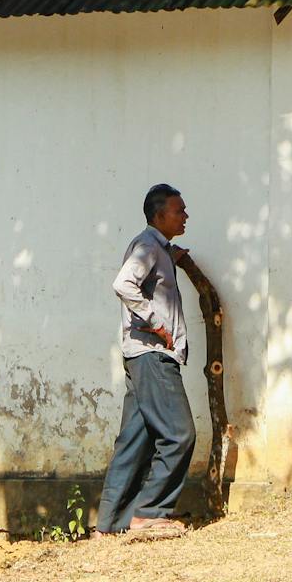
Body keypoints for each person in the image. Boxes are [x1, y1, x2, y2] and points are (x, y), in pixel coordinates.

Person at [94, 183, 196, 539]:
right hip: (153, 356)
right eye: (179, 210)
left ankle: (109, 523)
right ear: (158, 215)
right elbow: (124, 285)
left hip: (139, 356)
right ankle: (149, 512)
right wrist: (157, 323)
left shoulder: (158, 249)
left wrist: (175, 259)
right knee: (179, 434)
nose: (185, 216)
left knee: (134, 441)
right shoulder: (148, 246)